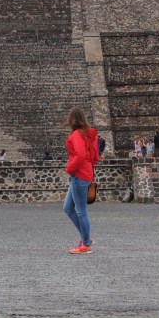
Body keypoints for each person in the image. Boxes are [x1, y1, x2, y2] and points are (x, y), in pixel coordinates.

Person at [63, 107, 100, 254]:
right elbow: (95, 156)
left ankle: (85, 245)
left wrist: (70, 169)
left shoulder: (77, 135)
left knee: (81, 212)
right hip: (85, 173)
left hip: (79, 174)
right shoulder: (89, 134)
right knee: (68, 208)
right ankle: (86, 238)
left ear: (72, 119)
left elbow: (79, 155)